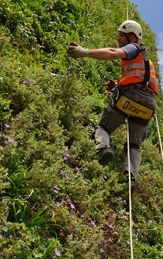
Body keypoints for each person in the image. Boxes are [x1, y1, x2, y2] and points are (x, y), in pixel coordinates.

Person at [67, 20, 158, 185]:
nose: (117, 39)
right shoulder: (147, 62)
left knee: (103, 127)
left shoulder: (133, 47)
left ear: (131, 37)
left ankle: (103, 149)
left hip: (130, 96)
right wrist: (117, 86)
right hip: (149, 104)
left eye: (120, 35)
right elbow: (141, 82)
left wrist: (84, 52)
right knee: (134, 145)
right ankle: (131, 176)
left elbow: (113, 53)